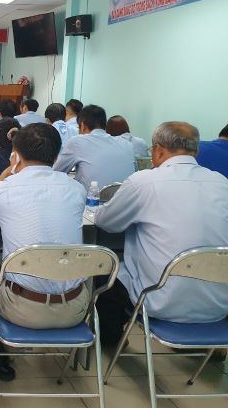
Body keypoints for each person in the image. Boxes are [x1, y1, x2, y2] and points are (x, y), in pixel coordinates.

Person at [95, 122, 228, 346]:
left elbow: (106, 222)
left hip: (157, 301)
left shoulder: (143, 182)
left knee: (103, 268)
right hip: (218, 305)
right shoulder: (222, 183)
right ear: (195, 151)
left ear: (158, 150)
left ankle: (111, 340)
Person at [0, 123, 89, 379]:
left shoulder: (1, 189)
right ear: (57, 155)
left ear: (15, 154)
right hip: (76, 307)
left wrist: (9, 172)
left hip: (23, 309)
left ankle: (0, 355)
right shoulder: (77, 189)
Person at [53, 105, 135, 188]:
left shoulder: (77, 142)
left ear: (82, 126)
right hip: (124, 195)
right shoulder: (126, 144)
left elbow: (55, 172)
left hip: (92, 195)